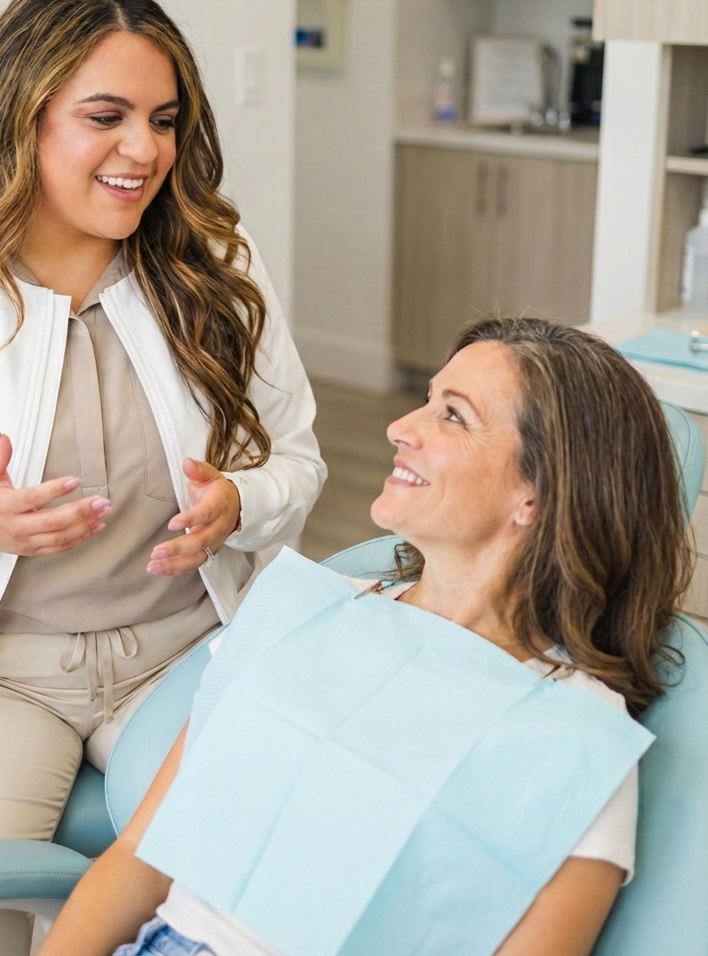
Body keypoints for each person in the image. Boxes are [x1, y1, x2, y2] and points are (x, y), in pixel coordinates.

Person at [0, 0, 326, 956]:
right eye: (107, 116)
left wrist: (241, 503)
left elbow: (293, 458)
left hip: (181, 651)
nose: (146, 150)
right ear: (25, 117)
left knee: (245, 910)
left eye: (164, 119)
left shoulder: (215, 266)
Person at [37, 317, 692, 956]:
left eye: (453, 415)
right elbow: (137, 861)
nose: (400, 429)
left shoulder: (575, 745)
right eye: (426, 402)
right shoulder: (301, 617)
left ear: (538, 492)